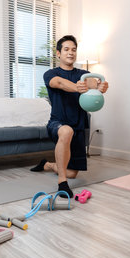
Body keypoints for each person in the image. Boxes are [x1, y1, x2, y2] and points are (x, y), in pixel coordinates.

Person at [30, 35, 109, 198]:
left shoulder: (84, 74)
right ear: (58, 53)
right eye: (66, 49)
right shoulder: (50, 73)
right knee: (66, 132)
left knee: (72, 173)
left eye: (73, 49)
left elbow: (94, 83)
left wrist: (101, 86)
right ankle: (62, 183)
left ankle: (48, 165)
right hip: (57, 124)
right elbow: (58, 83)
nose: (70, 52)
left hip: (78, 126)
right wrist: (77, 87)